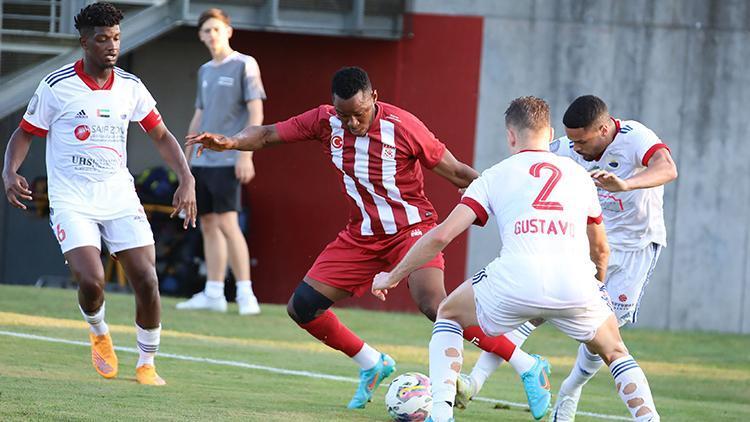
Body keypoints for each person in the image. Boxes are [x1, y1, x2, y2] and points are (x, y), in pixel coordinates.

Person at [185, 67, 547, 410]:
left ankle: (527, 365)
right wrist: (231, 141)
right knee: (303, 308)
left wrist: (509, 201)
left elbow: (455, 171)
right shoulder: (325, 121)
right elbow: (266, 134)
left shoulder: (403, 126)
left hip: (412, 230)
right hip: (361, 235)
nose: (351, 123)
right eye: (344, 116)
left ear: (374, 96)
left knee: (434, 305)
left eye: (358, 113)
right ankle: (372, 363)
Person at [373, 96, 661, 422]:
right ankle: (649, 419)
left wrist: (393, 275)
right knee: (615, 351)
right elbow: (601, 249)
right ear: (550, 132)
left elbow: (441, 236)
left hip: (515, 278)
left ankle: (441, 414)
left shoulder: (494, 176)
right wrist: (596, 286)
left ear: (510, 136)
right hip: (575, 282)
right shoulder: (581, 177)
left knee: (449, 315)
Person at [2, 2, 196, 386]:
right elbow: (24, 132)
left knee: (147, 280)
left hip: (119, 196)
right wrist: (9, 171)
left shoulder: (131, 87)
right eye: (103, 39)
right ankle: (99, 331)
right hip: (72, 198)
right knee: (92, 281)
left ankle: (146, 363)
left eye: (117, 38)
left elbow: (161, 135)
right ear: (85, 42)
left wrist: (186, 179)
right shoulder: (57, 87)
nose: (112, 46)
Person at [453, 95, 679, 419]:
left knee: (604, 334)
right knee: (528, 309)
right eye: (570, 141)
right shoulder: (567, 148)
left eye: (581, 141)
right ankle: (474, 382)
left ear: (603, 129)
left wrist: (625, 185)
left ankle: (571, 388)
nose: (575, 149)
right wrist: (480, 189)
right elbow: (522, 169)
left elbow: (667, 168)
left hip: (635, 250)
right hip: (587, 243)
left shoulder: (635, 138)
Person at [176, 8, 265, 316]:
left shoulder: (245, 65)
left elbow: (255, 113)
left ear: (228, 31)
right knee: (209, 223)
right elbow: (199, 115)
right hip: (202, 161)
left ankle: (245, 293)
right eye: (205, 31)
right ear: (200, 36)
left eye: (216, 29)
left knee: (228, 222)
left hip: (230, 158)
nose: (211, 35)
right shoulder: (204, 71)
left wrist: (246, 153)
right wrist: (185, 164)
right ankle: (213, 292)